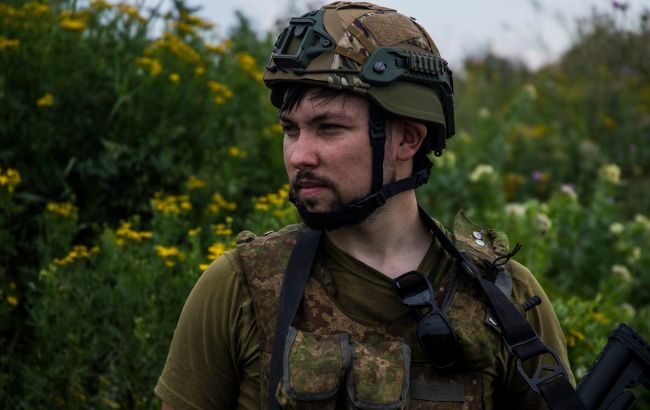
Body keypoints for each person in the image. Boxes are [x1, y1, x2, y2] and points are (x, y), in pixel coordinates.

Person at [155, 2, 576, 409]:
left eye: (329, 128)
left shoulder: (503, 297)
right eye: (291, 129)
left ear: (407, 139)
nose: (300, 155)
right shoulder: (240, 286)